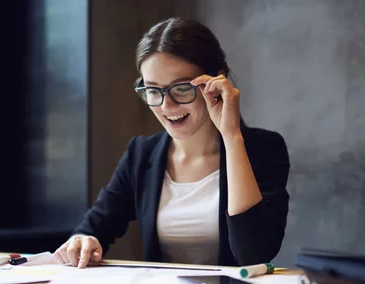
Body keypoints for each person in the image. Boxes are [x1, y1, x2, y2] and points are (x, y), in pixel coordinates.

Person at [54, 17, 290, 269]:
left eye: (181, 88)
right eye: (153, 90)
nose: (167, 106)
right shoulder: (141, 154)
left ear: (217, 82)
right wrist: (82, 241)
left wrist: (231, 137)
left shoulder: (264, 149)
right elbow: (92, 229)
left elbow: (254, 255)